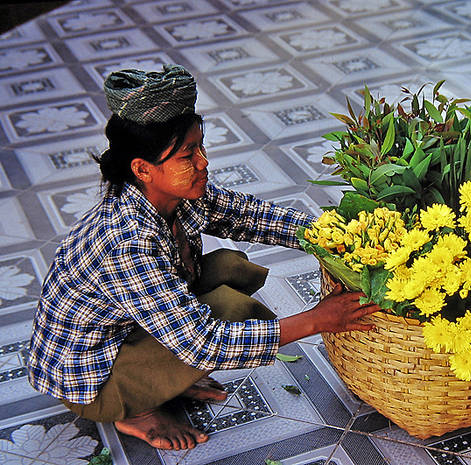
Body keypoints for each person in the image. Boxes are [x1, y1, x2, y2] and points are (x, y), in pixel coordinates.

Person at [27, 64, 379, 451]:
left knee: (231, 267)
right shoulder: (126, 241)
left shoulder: (171, 195)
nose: (203, 162)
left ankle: (164, 374)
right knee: (231, 309)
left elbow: (248, 215)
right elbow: (204, 343)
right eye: (187, 154)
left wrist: (335, 238)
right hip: (91, 378)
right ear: (143, 168)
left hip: (127, 331)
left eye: (201, 146)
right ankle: (134, 413)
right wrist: (318, 320)